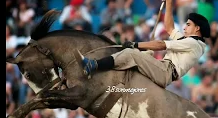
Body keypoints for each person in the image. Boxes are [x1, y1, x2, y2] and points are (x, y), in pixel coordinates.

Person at [73, 0, 210, 88]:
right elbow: (169, 28)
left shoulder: (193, 43)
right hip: (162, 68)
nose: (184, 27)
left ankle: (94, 65)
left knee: (131, 54)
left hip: (165, 71)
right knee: (139, 54)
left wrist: (136, 45)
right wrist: (169, 3)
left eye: (188, 24)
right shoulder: (188, 41)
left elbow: (162, 44)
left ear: (197, 28)